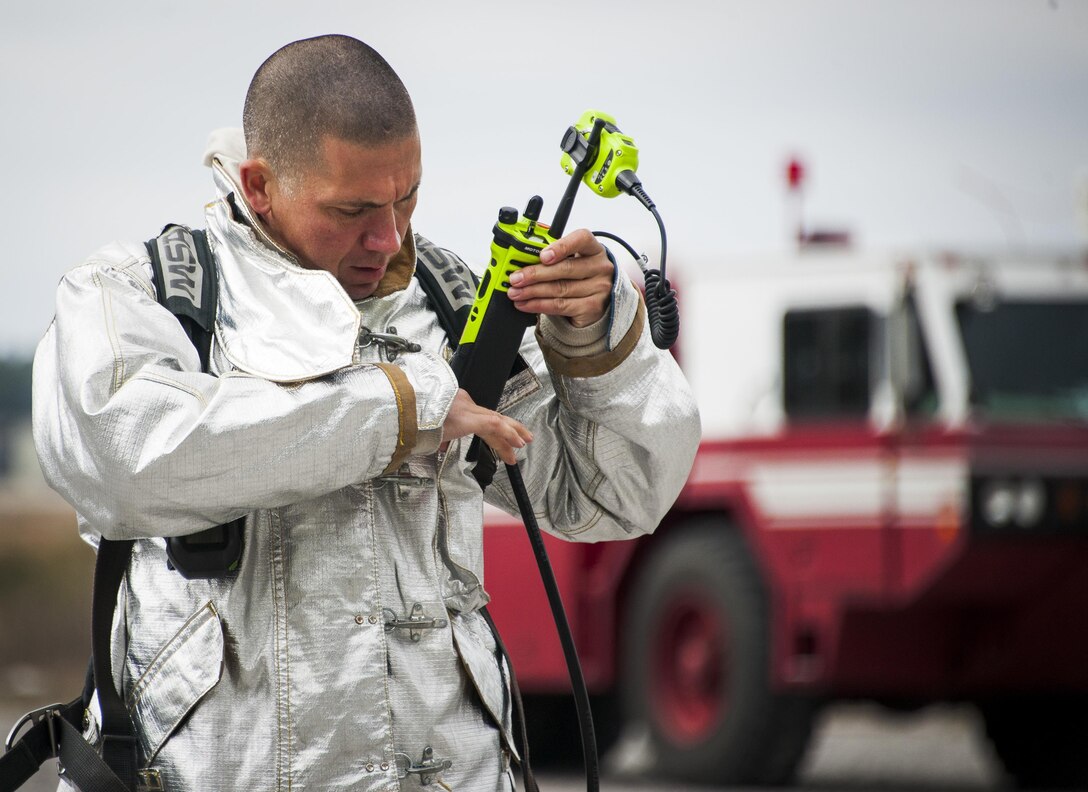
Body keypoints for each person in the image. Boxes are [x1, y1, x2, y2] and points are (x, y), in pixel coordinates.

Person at [32, 34, 700, 792]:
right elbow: (129, 460)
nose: (388, 238)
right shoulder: (137, 296)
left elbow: (618, 497)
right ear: (258, 185)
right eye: (352, 210)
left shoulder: (452, 306)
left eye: (406, 197)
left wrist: (599, 341)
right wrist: (402, 411)